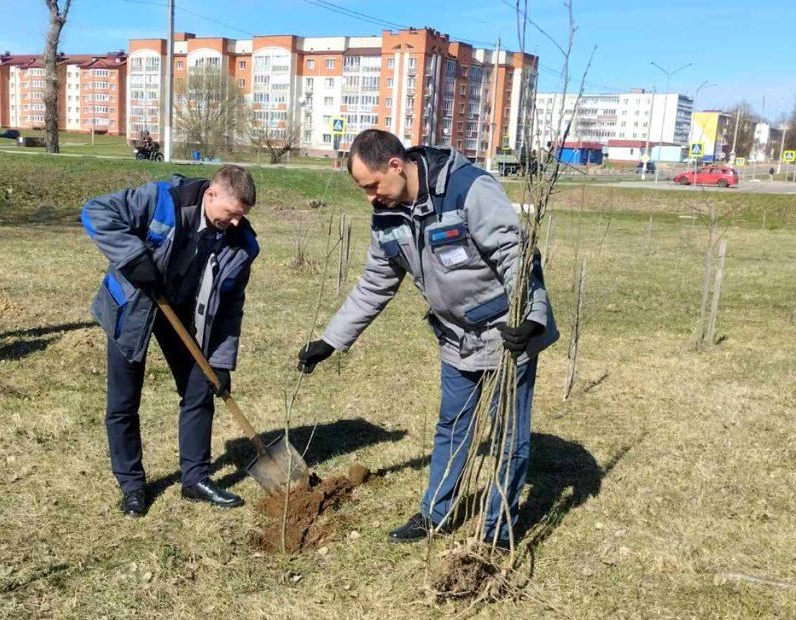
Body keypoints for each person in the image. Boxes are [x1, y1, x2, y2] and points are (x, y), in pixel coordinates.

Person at [296, 129, 558, 545]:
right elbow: (375, 284)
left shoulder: (467, 188)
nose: (369, 197)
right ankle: (434, 515)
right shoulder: (387, 215)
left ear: (396, 166)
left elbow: (517, 256)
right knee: (451, 427)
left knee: (509, 437)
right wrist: (331, 340)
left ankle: (497, 531)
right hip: (455, 338)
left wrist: (530, 319)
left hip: (508, 334)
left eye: (371, 185)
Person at [82, 165, 259, 517]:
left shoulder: (239, 243)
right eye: (232, 212)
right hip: (133, 305)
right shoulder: (162, 201)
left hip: (181, 311)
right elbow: (95, 211)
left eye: (243, 215)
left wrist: (221, 361)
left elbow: (229, 306)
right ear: (211, 194)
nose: (237, 222)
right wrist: (134, 259)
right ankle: (132, 486)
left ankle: (195, 478)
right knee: (124, 401)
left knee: (199, 388)